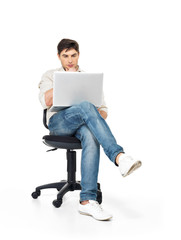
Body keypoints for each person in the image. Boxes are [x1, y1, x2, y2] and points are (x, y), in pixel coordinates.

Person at [38, 38, 142, 221]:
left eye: (73, 55)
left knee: (91, 133)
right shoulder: (50, 75)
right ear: (58, 57)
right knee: (86, 106)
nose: (70, 60)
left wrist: (92, 115)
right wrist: (69, 80)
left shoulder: (89, 80)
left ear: (79, 55)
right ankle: (119, 157)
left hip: (83, 126)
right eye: (65, 56)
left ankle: (87, 201)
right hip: (59, 124)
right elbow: (46, 101)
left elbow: (103, 112)